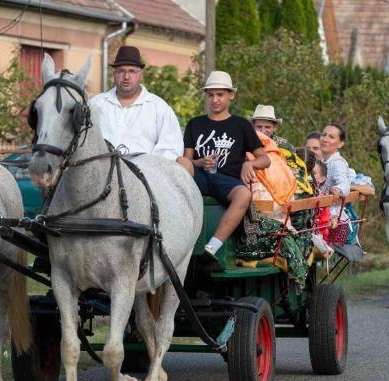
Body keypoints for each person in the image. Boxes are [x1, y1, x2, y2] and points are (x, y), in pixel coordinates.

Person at [178, 71, 270, 255]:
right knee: (180, 161)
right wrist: (200, 162)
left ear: (231, 95)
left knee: (244, 195)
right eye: (210, 95)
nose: (215, 100)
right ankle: (180, 232)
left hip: (227, 181)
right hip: (199, 178)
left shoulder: (241, 125)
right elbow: (187, 159)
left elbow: (265, 159)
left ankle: (212, 247)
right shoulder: (195, 124)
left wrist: (249, 164)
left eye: (220, 94)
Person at [88, 46, 183, 161]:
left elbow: (171, 149)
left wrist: (148, 170)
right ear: (114, 74)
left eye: (132, 71)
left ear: (141, 76)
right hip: (100, 173)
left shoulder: (158, 108)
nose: (126, 77)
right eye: (121, 71)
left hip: (144, 174)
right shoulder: (95, 104)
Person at [310, 160, 333, 257]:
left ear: (322, 179)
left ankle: (323, 247)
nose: (308, 176)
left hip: (318, 235)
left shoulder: (322, 198)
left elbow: (323, 225)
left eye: (313, 173)